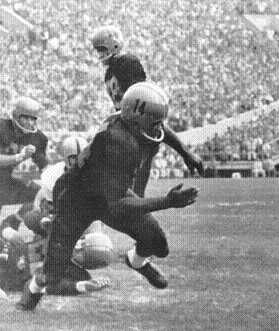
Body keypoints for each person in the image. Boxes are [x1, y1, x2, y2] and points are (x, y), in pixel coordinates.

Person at [17, 82, 199, 311]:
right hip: (76, 201)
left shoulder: (125, 119)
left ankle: (136, 261)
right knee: (52, 274)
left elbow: (161, 131)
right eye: (153, 123)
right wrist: (167, 202)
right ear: (136, 121)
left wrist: (185, 153)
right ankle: (33, 289)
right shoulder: (119, 145)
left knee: (157, 243)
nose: (157, 129)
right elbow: (119, 206)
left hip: (107, 189)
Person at [91, 26, 204, 197]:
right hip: (127, 133)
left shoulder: (127, 63)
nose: (99, 54)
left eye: (102, 49)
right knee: (125, 195)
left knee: (134, 195)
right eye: (97, 50)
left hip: (139, 134)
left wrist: (185, 153)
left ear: (114, 45)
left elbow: (143, 109)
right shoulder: (109, 73)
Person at [0, 136, 111, 295]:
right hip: (48, 222)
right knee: (32, 224)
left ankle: (63, 251)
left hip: (66, 227)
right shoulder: (52, 176)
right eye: (74, 158)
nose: (79, 162)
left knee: (98, 248)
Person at [0, 96, 48, 226]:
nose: (29, 122)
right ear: (16, 115)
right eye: (26, 117)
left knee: (42, 194)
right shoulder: (2, 127)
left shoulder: (39, 138)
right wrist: (19, 157)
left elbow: (45, 168)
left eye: (33, 118)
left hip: (6, 182)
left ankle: (11, 223)